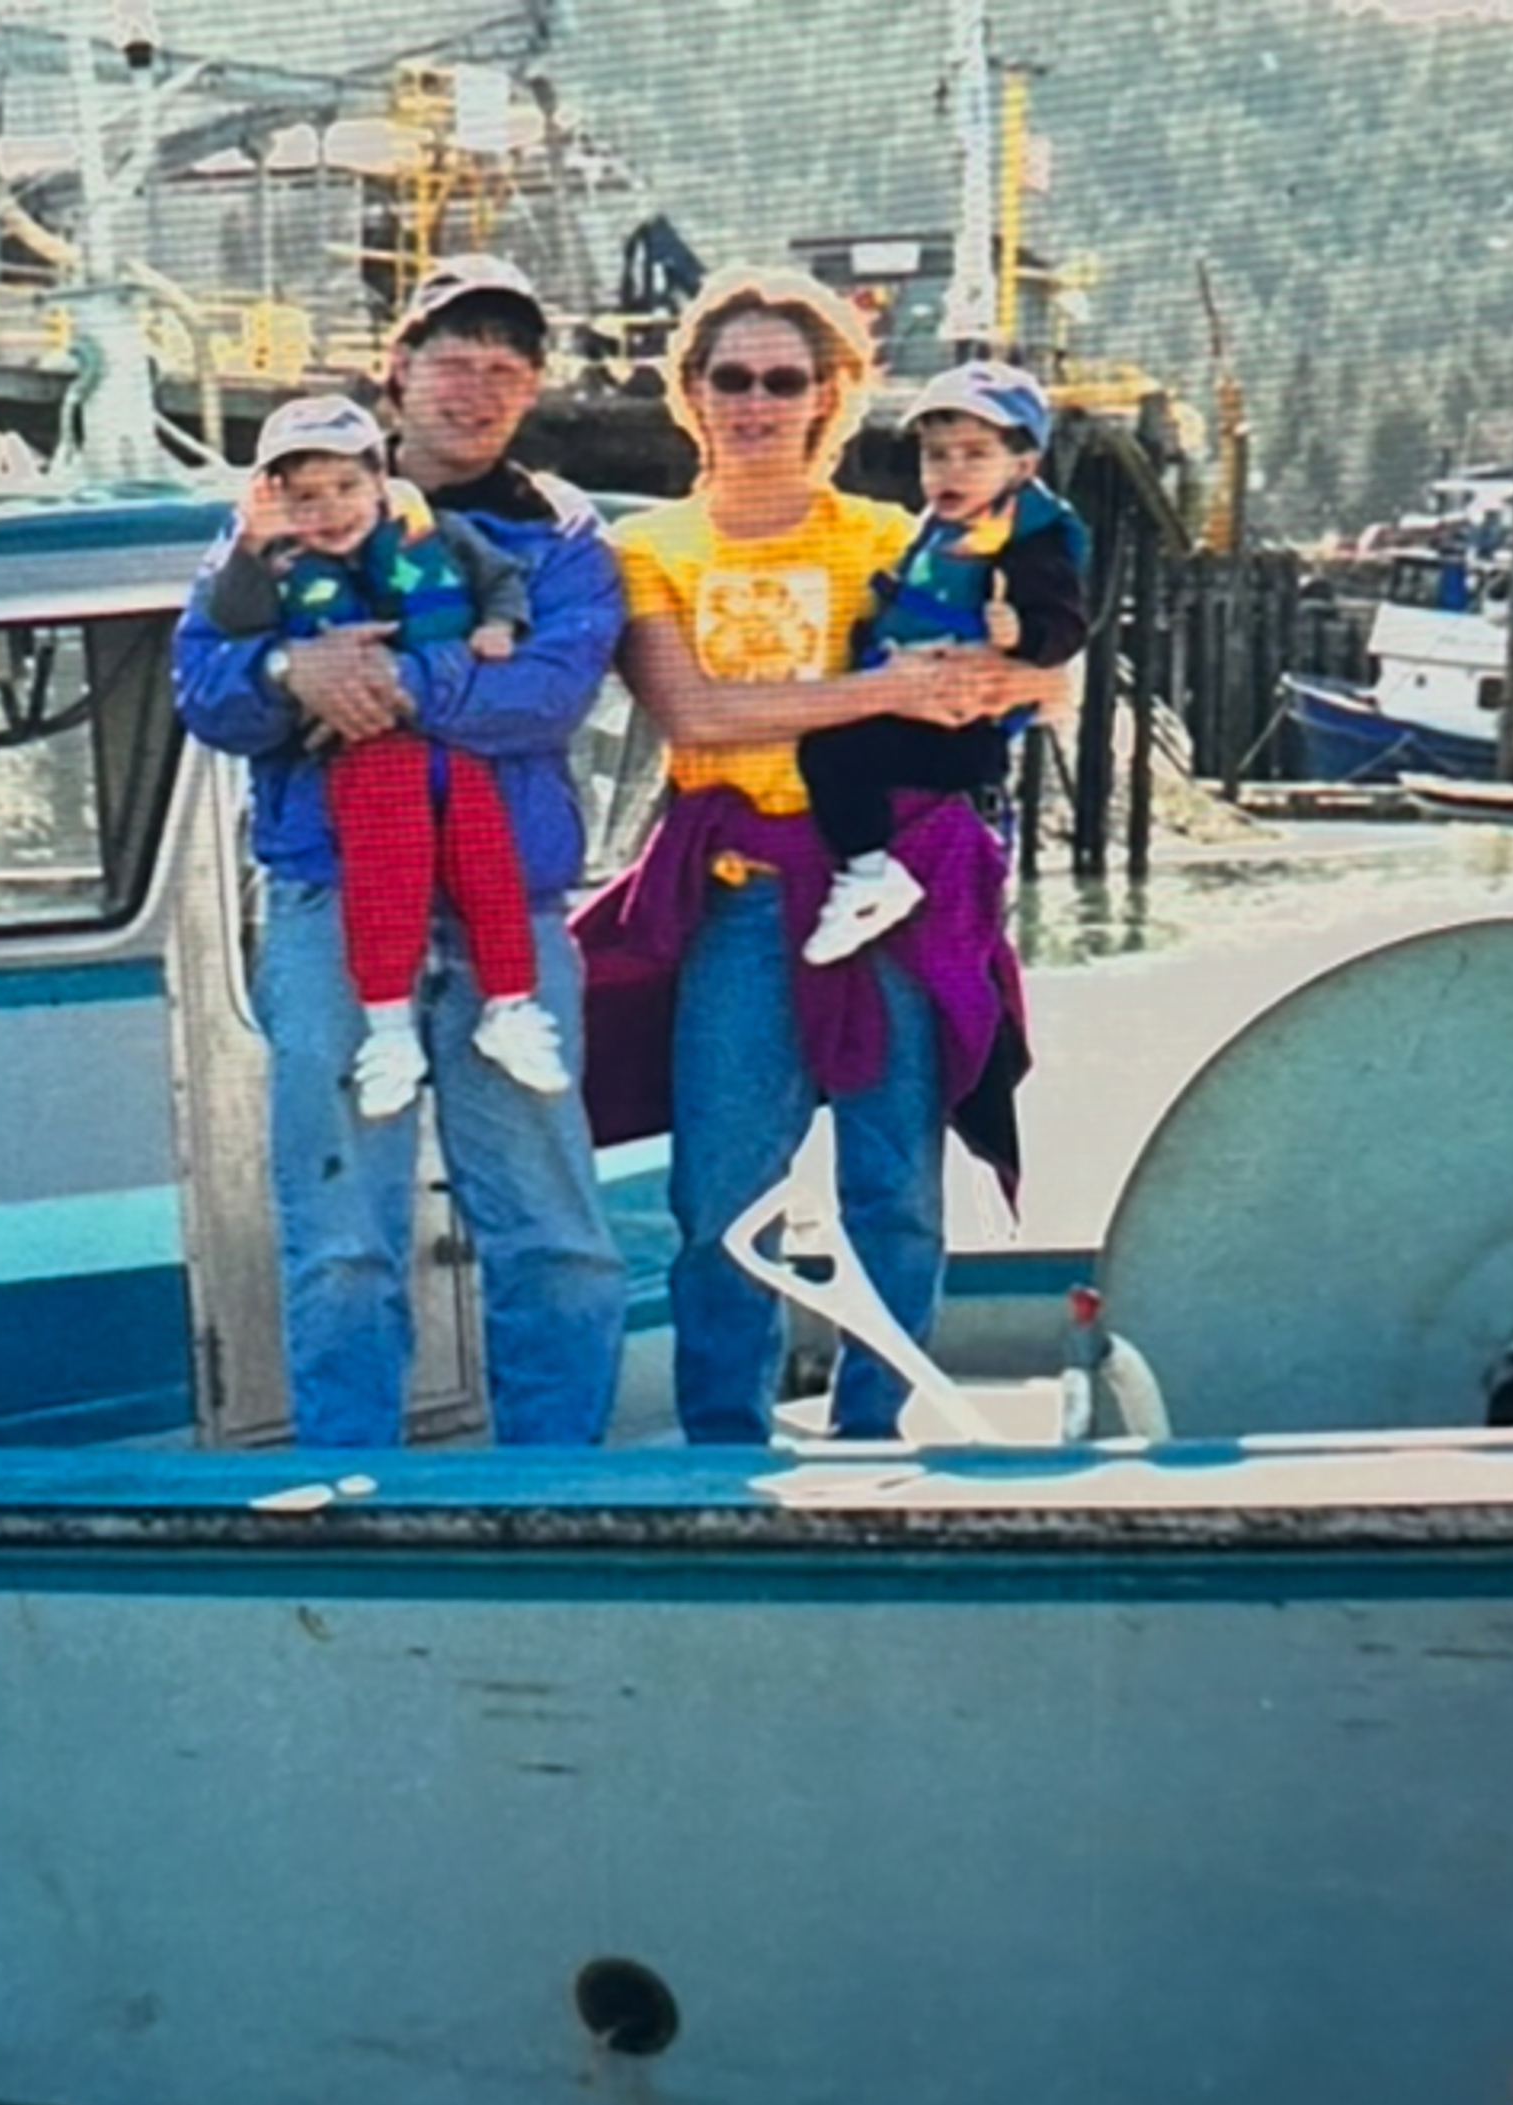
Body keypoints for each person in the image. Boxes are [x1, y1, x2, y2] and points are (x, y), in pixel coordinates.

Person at [585, 270, 1056, 1446]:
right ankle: (723, 1446)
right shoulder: (646, 547)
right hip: (738, 899)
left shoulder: (897, 538)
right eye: (728, 378)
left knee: (893, 1188)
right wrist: (883, 691)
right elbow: (692, 714)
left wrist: (1001, 664)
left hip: (890, 887)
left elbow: (1033, 684)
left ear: (831, 396)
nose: (754, 401)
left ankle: (875, 1428)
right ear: (689, 394)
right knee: (718, 1200)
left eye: (782, 379)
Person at [170, 256, 627, 1450]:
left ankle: (557, 1492)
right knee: (342, 1240)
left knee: (558, 1235)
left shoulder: (565, 535)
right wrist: (281, 668)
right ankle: (354, 1490)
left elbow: (548, 688)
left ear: (531, 389)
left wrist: (373, 680)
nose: (477, 390)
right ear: (398, 371)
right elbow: (206, 690)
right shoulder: (278, 514)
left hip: (507, 914)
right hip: (330, 899)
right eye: (453, 361)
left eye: (506, 369)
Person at [195, 392, 566, 1116]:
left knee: (489, 869)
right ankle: (388, 1028)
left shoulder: (438, 531)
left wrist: (498, 626)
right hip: (363, 755)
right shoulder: (270, 562)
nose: (330, 510)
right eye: (305, 497)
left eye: (345, 487)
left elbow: (501, 581)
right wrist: (252, 549)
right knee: (383, 884)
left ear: (379, 479)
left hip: (453, 752)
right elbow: (231, 621)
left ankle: (511, 1007)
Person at [796, 361, 1095, 964]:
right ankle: (870, 869)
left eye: (974, 454)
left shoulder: (1028, 546)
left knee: (828, 752)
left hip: (961, 736)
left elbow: (1066, 626)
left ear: (1023, 465)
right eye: (937, 456)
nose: (951, 470)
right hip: (919, 712)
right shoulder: (936, 531)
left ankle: (869, 875)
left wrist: (1025, 635)